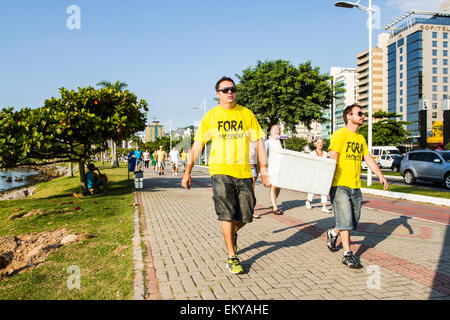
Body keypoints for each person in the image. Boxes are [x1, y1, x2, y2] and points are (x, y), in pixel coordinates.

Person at [181, 76, 269, 275]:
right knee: (227, 213)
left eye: (233, 89)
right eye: (226, 90)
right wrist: (187, 172)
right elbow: (197, 146)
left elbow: (259, 142)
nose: (230, 92)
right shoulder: (211, 116)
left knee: (246, 214)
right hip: (220, 171)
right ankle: (232, 256)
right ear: (218, 94)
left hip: (245, 172)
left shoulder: (246, 114)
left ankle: (232, 234)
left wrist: (263, 170)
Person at [326, 104, 388, 269]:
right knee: (345, 218)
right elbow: (334, 157)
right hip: (339, 184)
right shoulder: (339, 135)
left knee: (352, 221)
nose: (363, 116)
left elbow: (367, 158)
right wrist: (327, 182)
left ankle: (333, 232)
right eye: (359, 113)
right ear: (349, 116)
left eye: (363, 114)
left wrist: (380, 175)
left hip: (355, 185)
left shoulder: (360, 139)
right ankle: (347, 254)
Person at [305, 137, 332, 213]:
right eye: (319, 143)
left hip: (323, 174)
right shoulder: (312, 154)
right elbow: (309, 164)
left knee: (324, 190)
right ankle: (308, 201)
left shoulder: (326, 154)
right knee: (313, 189)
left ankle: (324, 206)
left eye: (321, 142)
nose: (320, 144)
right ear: (316, 144)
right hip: (314, 174)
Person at [265, 124, 283, 215]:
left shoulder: (281, 142)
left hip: (280, 167)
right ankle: (275, 207)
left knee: (278, 187)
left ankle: (273, 201)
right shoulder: (268, 142)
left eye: (278, 130)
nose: (277, 131)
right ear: (271, 131)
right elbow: (264, 156)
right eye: (275, 130)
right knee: (273, 187)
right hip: (271, 167)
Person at [249, 141, 260, 219]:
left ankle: (251, 211)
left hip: (252, 169)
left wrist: (257, 170)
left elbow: (257, 158)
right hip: (240, 170)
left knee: (252, 192)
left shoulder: (254, 144)